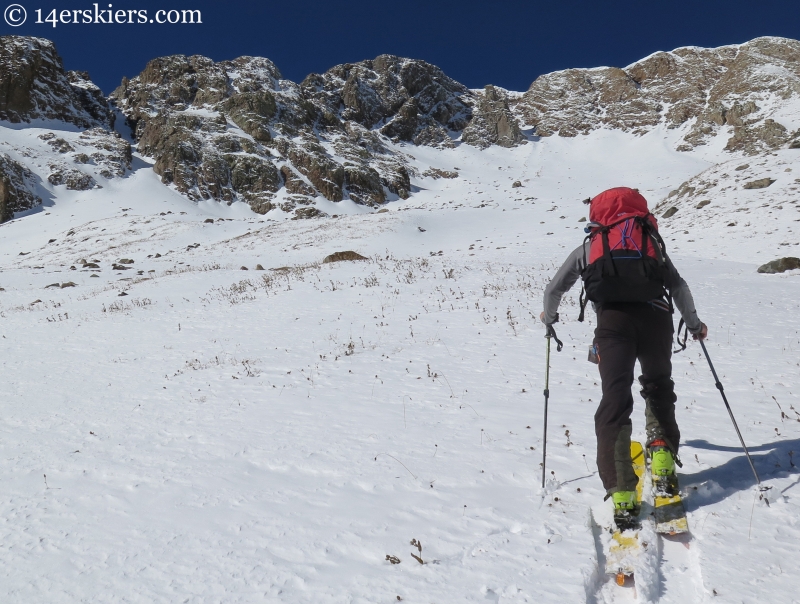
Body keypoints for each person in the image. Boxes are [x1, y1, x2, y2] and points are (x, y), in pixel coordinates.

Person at [540, 187, 707, 527]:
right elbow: (678, 286)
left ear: (598, 215)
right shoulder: (651, 243)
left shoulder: (591, 247)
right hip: (657, 320)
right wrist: (694, 324)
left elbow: (554, 289)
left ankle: (622, 493)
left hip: (613, 325)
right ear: (639, 212)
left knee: (615, 401)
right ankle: (661, 458)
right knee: (658, 386)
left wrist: (550, 317)